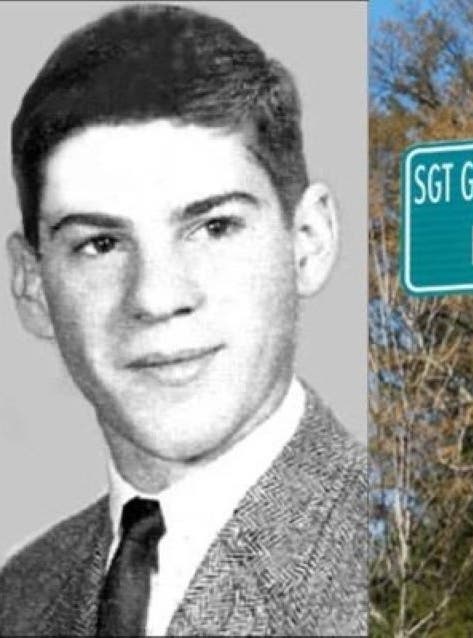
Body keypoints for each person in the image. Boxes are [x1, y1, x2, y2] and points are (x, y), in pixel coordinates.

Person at [0, 4, 366, 636]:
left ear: (308, 240)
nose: (157, 297)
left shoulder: (404, 565)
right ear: (31, 284)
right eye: (100, 244)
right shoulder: (21, 592)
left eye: (213, 227)